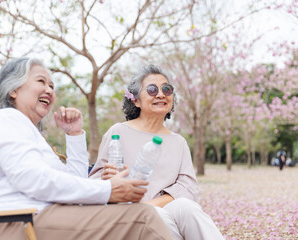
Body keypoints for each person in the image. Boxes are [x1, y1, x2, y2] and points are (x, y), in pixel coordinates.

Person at [0, 58, 173, 240]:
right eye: (41, 81)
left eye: (52, 85)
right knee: (143, 218)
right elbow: (33, 179)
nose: (49, 90)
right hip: (17, 225)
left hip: (44, 218)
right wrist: (108, 190)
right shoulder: (6, 119)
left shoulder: (27, 131)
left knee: (138, 214)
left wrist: (74, 135)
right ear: (13, 89)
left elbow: (74, 181)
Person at [89, 65, 224, 240]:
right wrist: (106, 179)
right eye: (152, 90)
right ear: (136, 100)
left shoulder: (178, 142)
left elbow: (187, 187)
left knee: (187, 207)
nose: (161, 94)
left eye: (166, 89)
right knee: (155, 217)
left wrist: (150, 205)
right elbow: (95, 180)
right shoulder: (118, 133)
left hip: (163, 207)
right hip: (125, 214)